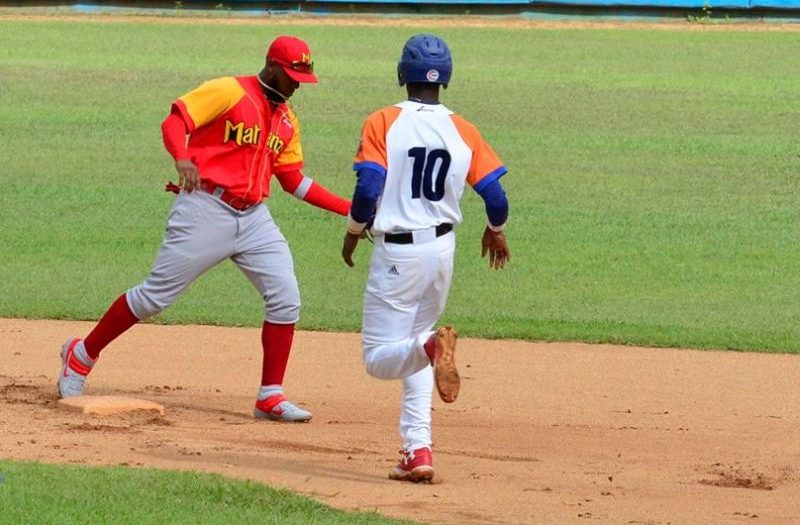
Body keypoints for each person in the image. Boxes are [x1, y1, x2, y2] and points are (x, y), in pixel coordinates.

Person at [58, 35, 350, 423]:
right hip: (205, 207)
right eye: (294, 75)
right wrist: (181, 157)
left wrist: (351, 210)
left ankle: (270, 396)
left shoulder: (286, 119)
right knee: (154, 298)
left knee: (285, 297)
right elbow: (176, 121)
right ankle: (82, 354)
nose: (299, 83)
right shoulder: (228, 91)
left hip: (255, 218)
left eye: (304, 76)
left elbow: (293, 181)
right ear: (275, 67)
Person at [341, 34, 511, 481]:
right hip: (442, 252)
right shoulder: (464, 129)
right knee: (418, 344)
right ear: (446, 79)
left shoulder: (382, 122)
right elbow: (496, 196)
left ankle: (432, 347)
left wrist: (354, 230)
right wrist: (495, 231)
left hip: (399, 253)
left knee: (380, 357)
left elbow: (368, 189)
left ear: (401, 75)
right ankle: (418, 451)